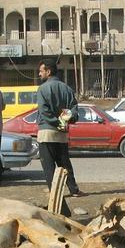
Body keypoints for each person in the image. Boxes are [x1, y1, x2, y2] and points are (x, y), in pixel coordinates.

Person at [36, 58, 82, 210]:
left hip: (47, 133)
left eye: (41, 71)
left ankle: (56, 198)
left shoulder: (42, 89)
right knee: (64, 164)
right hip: (62, 134)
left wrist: (56, 122)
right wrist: (64, 122)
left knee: (49, 169)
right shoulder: (66, 88)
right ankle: (74, 189)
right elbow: (74, 110)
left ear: (48, 72)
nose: (39, 74)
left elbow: (44, 112)